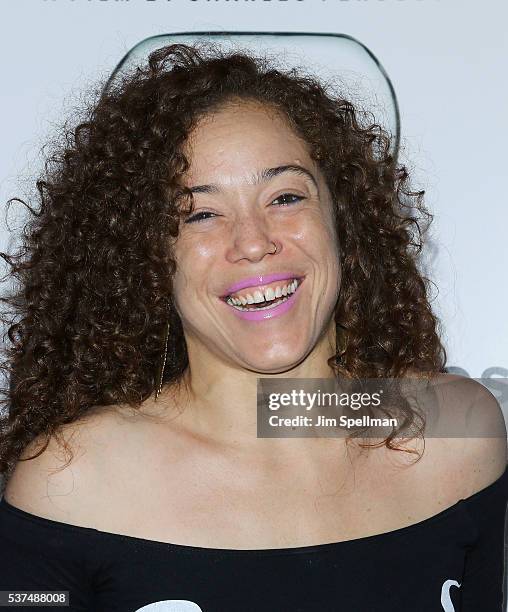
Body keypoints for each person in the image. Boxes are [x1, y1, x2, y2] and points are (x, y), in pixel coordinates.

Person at [0, 42, 506, 612]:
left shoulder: (458, 433)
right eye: (200, 214)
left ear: (345, 220)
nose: (254, 241)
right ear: (143, 253)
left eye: (286, 196)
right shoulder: (71, 481)